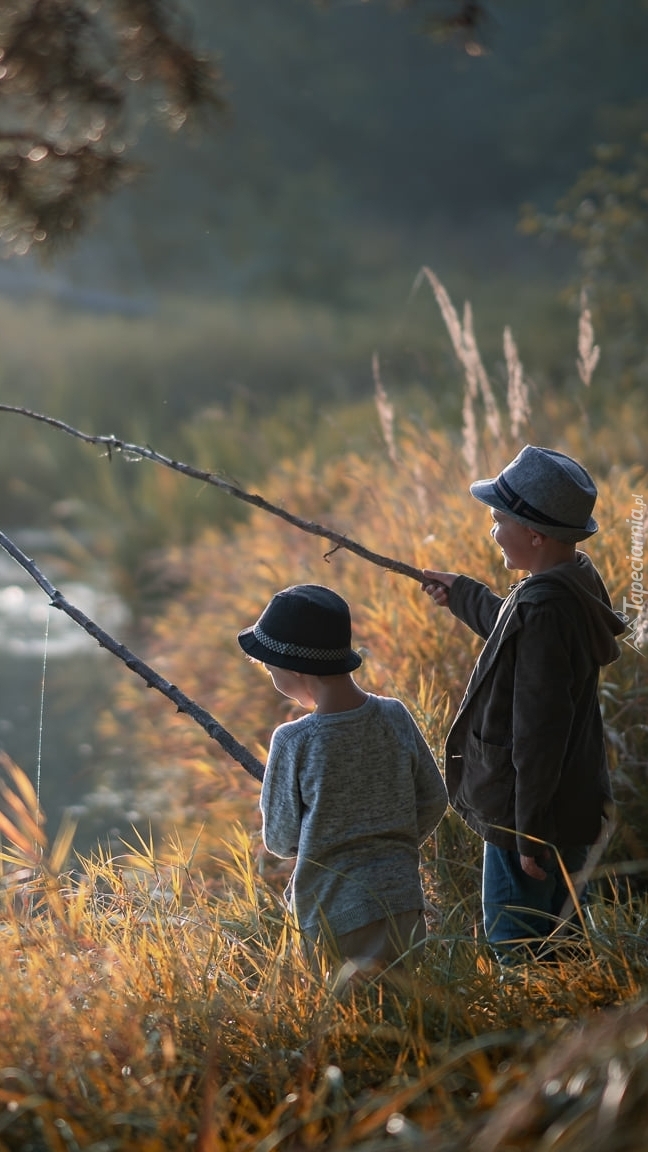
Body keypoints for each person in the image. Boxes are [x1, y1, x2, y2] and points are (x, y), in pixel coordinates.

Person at [421, 445, 625, 964]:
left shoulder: (543, 610)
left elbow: (539, 734)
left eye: (498, 520)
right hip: (570, 804)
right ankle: (579, 1028)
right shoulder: (571, 581)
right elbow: (519, 630)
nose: (492, 531)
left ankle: (541, 1037)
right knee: (566, 940)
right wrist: (465, 596)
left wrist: (528, 834)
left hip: (528, 818)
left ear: (534, 535)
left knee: (520, 948)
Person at [238, 583, 448, 974]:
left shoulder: (294, 740)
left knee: (349, 1021)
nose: (269, 676)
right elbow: (435, 799)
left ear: (296, 670)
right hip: (403, 904)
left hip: (332, 916)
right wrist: (391, 840)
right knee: (407, 1011)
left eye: (270, 668)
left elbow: (281, 841)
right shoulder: (394, 716)